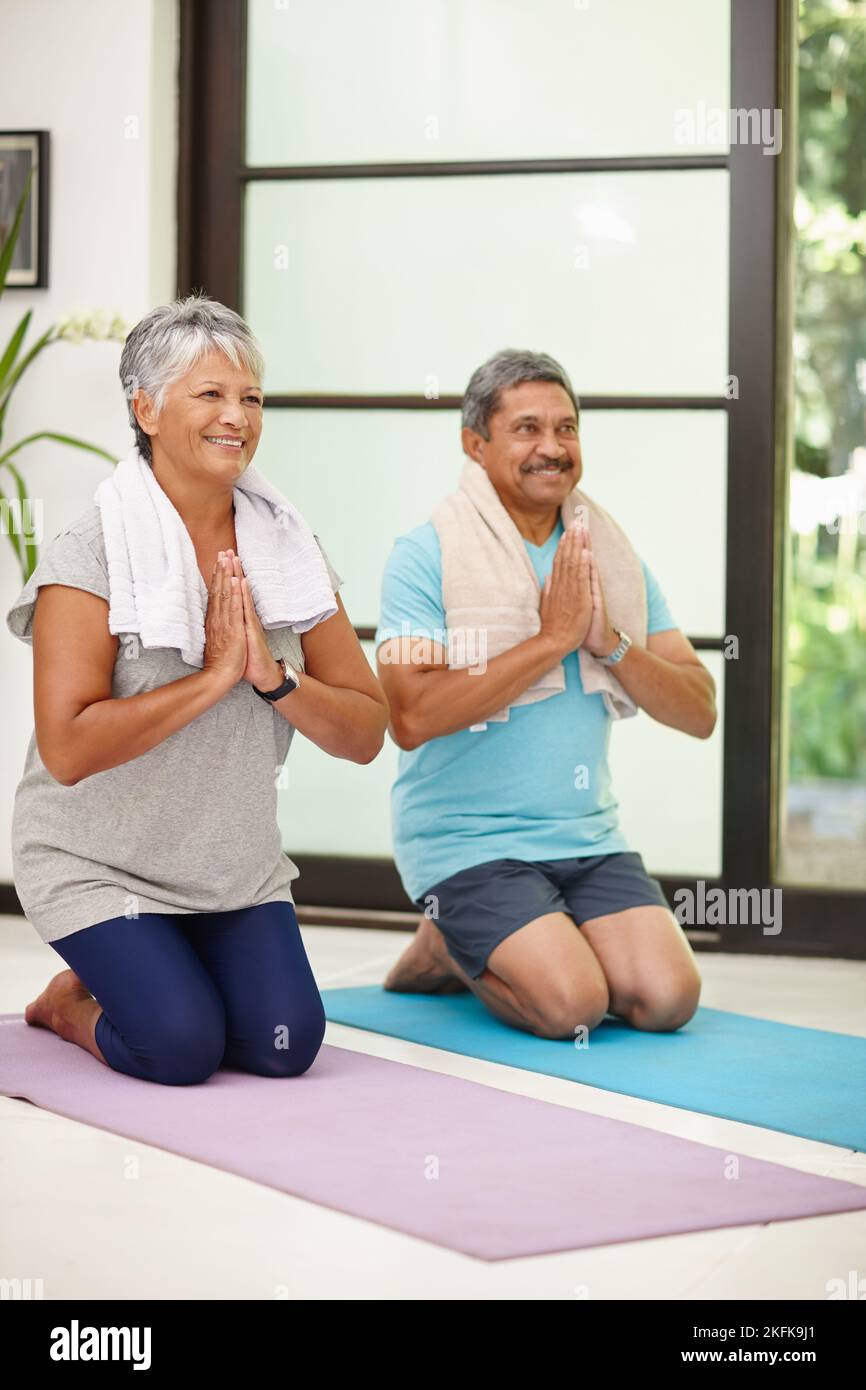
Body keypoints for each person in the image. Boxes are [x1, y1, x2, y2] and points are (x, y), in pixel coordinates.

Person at [7, 293, 388, 1085]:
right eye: (210, 394)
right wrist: (215, 677)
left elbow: (364, 732)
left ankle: (162, 967)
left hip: (231, 866)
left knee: (285, 1047)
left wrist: (272, 679)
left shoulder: (287, 549)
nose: (237, 417)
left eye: (250, 397)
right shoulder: (90, 555)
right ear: (144, 408)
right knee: (179, 1048)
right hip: (97, 862)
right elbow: (70, 748)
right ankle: (67, 1003)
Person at [375, 349, 714, 1040]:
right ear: (476, 444)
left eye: (567, 428)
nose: (552, 448)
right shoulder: (426, 554)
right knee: (573, 1007)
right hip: (468, 843)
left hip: (585, 836)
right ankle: (448, 942)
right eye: (527, 428)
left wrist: (608, 642)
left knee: (667, 1000)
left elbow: (700, 710)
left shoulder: (610, 558)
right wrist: (550, 639)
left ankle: (499, 935)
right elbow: (410, 717)